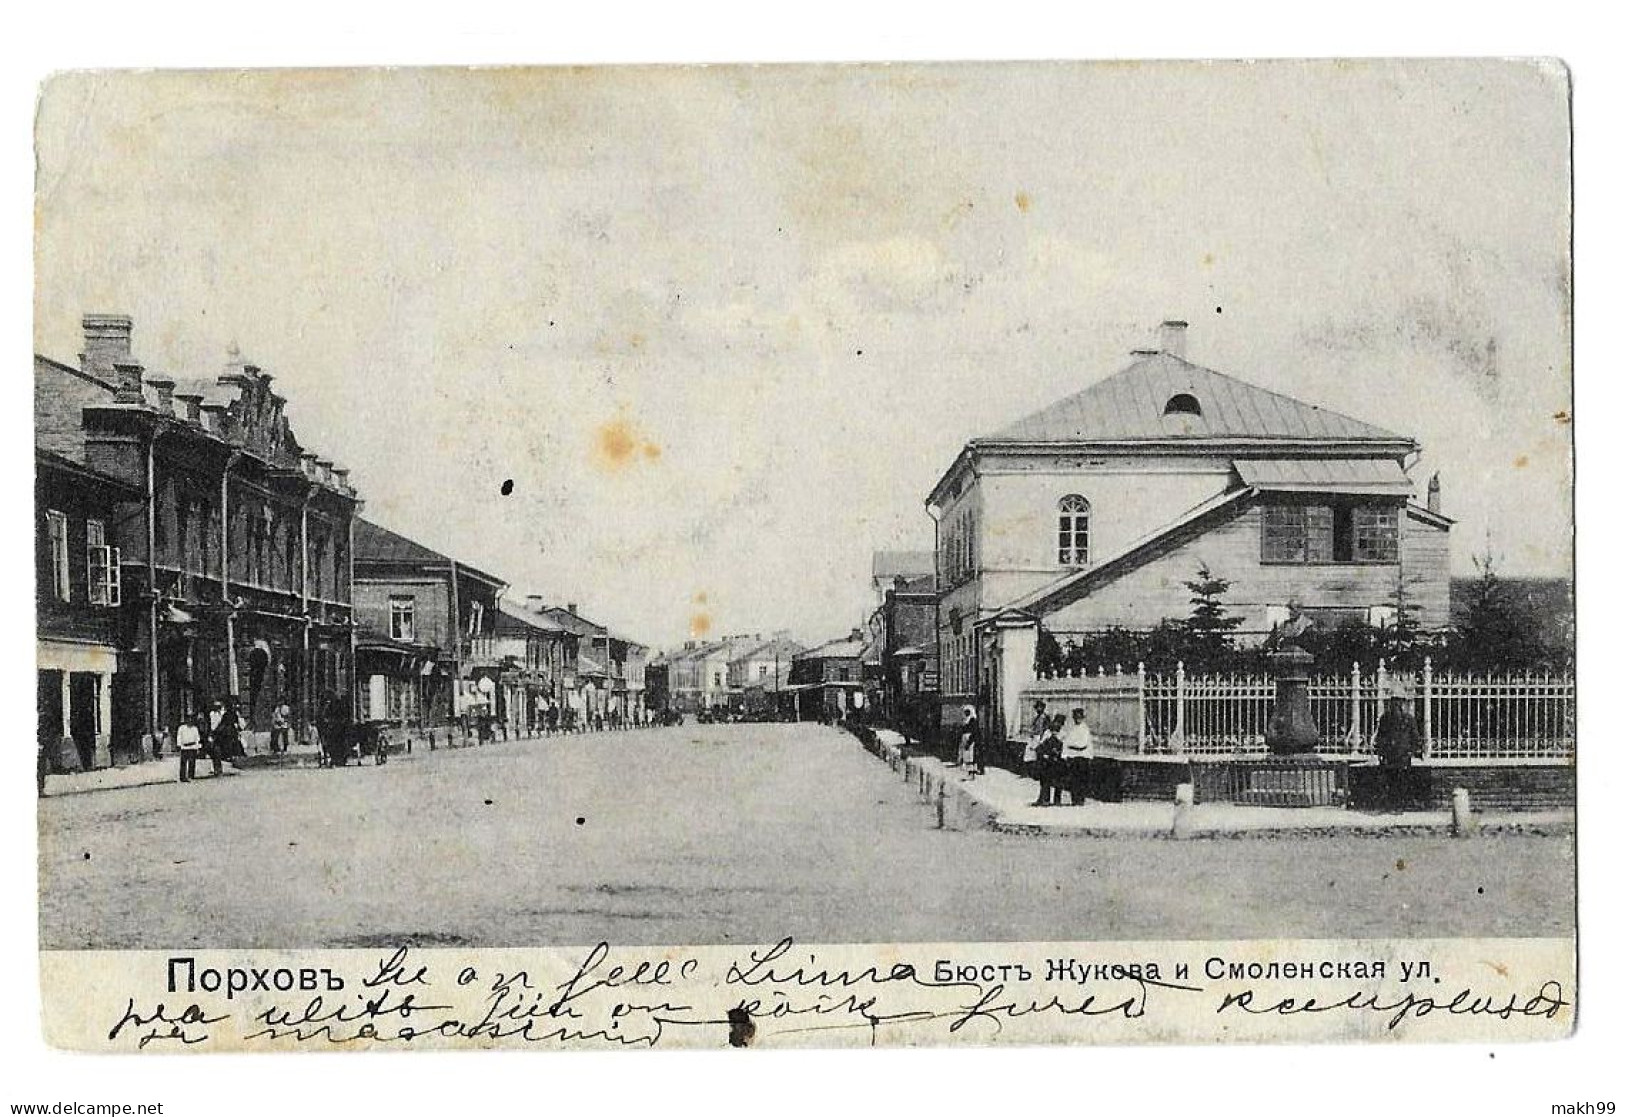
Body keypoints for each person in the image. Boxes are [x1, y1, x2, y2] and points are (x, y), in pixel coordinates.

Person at [1375, 690, 1423, 810]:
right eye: (1393, 702)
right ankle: (1391, 805)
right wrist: (1381, 752)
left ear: (1402, 704)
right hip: (1389, 755)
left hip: (1403, 756)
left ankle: (1401, 805)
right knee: (1390, 781)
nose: (1396, 705)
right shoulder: (1385, 719)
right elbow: (1380, 736)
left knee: (1402, 781)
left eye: (1398, 702)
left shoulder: (1408, 719)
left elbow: (1415, 737)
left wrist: (1411, 751)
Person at [1060, 706, 1095, 804]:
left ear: (1082, 717)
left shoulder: (1084, 729)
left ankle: (1080, 800)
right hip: (1073, 757)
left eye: (1079, 717)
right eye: (1075, 717)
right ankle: (1075, 799)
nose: (1077, 719)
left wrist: (1071, 745)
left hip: (1082, 757)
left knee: (1081, 780)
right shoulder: (1073, 729)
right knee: (1074, 780)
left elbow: (1082, 744)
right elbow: (1066, 742)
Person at [1031, 714, 1065, 806]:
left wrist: (1057, 752)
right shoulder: (1048, 734)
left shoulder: (1062, 735)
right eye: (1056, 722)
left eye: (1059, 723)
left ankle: (1056, 800)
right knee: (1045, 780)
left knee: (1057, 781)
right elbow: (1041, 745)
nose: (1057, 725)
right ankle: (1044, 799)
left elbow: (1063, 747)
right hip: (1048, 761)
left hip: (1057, 761)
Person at [176, 712, 203, 782]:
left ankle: (191, 775)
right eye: (188, 718)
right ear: (186, 720)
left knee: (192, 762)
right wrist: (179, 745)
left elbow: (197, 738)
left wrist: (197, 748)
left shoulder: (195, 728)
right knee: (183, 762)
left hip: (192, 747)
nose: (190, 720)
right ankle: (182, 777)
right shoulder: (182, 728)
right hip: (184, 747)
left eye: (191, 719)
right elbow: (179, 736)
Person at [206, 700, 226, 776]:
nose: (217, 708)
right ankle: (215, 769)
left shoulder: (222, 714)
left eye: (218, 707)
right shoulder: (211, 714)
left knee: (218, 752)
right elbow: (210, 724)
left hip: (219, 734)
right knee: (213, 752)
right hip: (213, 733)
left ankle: (218, 769)